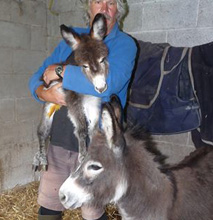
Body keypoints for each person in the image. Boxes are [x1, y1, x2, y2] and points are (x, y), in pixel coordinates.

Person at [29, 0, 137, 219]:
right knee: (49, 206)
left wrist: (61, 71)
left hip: (94, 146)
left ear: (119, 8)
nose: (105, 8)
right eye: (98, 1)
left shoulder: (125, 44)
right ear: (88, 7)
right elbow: (38, 75)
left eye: (111, 2)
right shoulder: (71, 38)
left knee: (92, 212)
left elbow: (107, 86)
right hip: (60, 140)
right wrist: (43, 93)